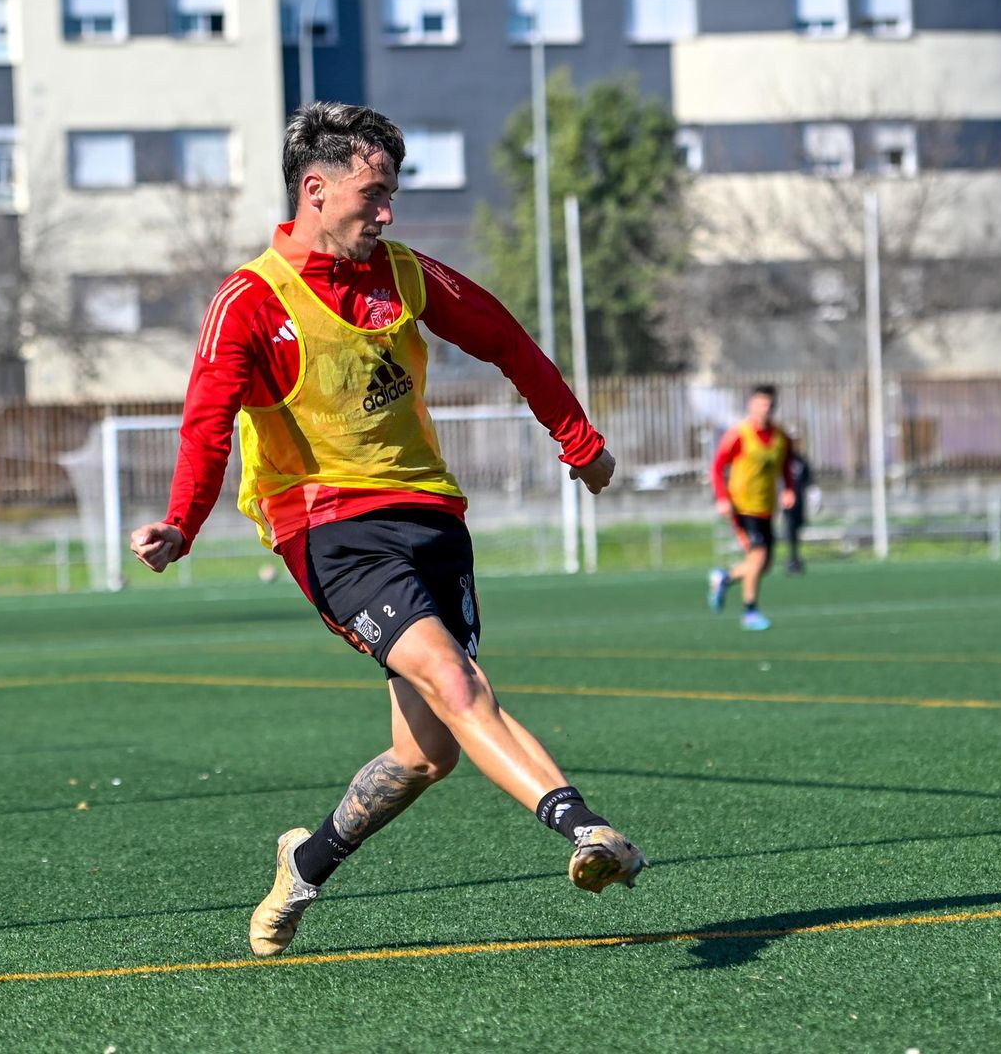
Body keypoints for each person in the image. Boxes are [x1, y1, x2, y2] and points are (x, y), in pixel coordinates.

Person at [129, 103, 645, 959]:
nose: (387, 211)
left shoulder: (405, 274)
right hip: (328, 527)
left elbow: (509, 340)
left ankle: (306, 862)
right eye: (374, 193)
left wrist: (580, 441)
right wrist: (182, 523)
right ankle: (584, 827)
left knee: (427, 751)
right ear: (316, 189)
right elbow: (206, 423)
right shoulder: (251, 300)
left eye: (392, 193)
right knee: (457, 680)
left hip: (430, 517)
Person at [707, 385, 796, 630]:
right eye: (759, 404)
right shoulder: (739, 434)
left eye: (768, 404)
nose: (764, 409)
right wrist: (722, 498)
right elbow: (717, 467)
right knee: (757, 558)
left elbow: (787, 465)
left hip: (767, 507)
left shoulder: (781, 437)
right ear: (751, 405)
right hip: (742, 506)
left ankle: (724, 577)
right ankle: (750, 612)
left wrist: (789, 489)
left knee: (764, 565)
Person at [782, 436, 815, 575]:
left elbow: (808, 480)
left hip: (800, 502)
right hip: (786, 502)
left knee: (798, 528)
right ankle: (792, 558)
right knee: (790, 529)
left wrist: (814, 494)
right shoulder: (783, 460)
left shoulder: (801, 460)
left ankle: (795, 557)